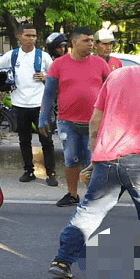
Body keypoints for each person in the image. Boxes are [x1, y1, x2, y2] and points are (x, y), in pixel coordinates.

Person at [47, 34, 140, 279]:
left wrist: (95, 159)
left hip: (108, 157)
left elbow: (95, 123)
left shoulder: (116, 75)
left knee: (89, 212)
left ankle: (62, 260)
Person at [38, 27, 111, 207]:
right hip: (67, 122)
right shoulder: (58, 64)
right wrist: (43, 118)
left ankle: (92, 197)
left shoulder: (100, 64)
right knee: (71, 159)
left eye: (92, 40)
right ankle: (72, 194)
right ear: (74, 42)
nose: (91, 44)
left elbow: (111, 91)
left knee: (91, 161)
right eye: (86, 40)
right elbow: (48, 94)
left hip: (93, 123)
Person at [0, 24, 56, 186]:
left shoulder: (43, 56)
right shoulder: (12, 55)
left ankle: (51, 173)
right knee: (24, 140)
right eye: (28, 35)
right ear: (19, 36)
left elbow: (55, 78)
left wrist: (45, 77)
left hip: (40, 106)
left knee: (46, 140)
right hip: (19, 105)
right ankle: (28, 170)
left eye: (34, 36)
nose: (31, 39)